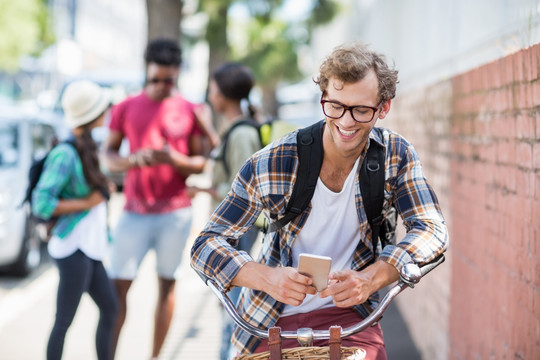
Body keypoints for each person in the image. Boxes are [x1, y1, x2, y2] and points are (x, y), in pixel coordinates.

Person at [191, 42, 449, 359]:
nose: (346, 121)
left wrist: (370, 279)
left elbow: (432, 230)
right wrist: (267, 278)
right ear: (323, 98)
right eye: (336, 106)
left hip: (354, 317)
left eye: (361, 109)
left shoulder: (396, 154)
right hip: (271, 319)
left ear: (384, 108)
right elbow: (205, 245)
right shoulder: (274, 160)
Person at [103, 38, 219, 359]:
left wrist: (174, 160)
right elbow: (108, 155)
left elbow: (201, 161)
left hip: (175, 214)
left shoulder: (189, 109)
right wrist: (132, 160)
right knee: (117, 292)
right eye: (155, 79)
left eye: (168, 80)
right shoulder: (125, 106)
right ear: (146, 71)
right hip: (133, 213)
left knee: (167, 287)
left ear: (177, 73)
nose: (162, 86)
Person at [32, 80, 118, 360]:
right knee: (64, 322)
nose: (108, 109)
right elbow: (41, 202)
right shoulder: (65, 152)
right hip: (73, 249)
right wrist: (88, 202)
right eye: (103, 106)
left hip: (89, 247)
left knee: (110, 309)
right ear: (93, 113)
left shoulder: (88, 145)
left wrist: (102, 192)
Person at [187, 62, 261, 360]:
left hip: (238, 234)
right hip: (234, 234)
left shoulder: (241, 134)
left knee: (233, 308)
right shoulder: (236, 129)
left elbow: (244, 191)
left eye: (212, 87)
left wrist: (204, 190)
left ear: (222, 94)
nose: (209, 93)